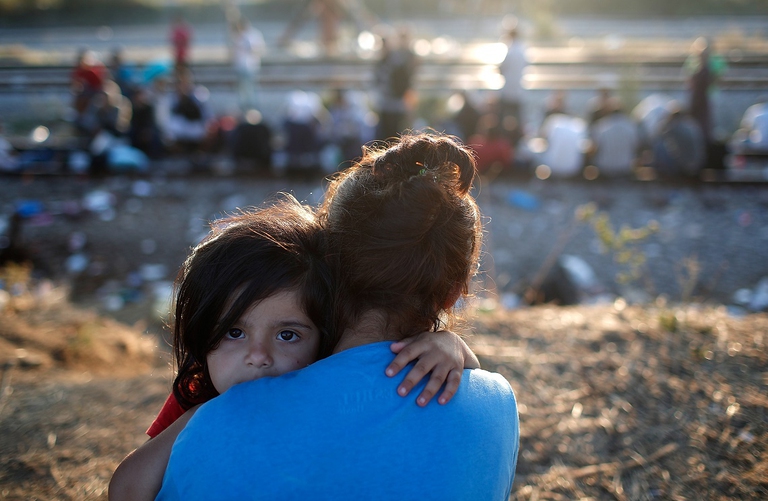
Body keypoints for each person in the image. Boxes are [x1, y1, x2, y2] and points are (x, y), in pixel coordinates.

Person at [155, 132, 519, 499]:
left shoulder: (215, 423)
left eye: (286, 335)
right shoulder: (499, 406)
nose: (259, 356)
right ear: (454, 292)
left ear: (323, 257)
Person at [108, 195, 481, 499]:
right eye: (233, 332)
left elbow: (472, 373)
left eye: (287, 335)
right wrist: (200, 416)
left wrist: (449, 344)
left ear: (324, 337)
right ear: (202, 334)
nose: (258, 357)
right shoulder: (197, 391)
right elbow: (126, 489)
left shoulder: (327, 384)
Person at [498, 19, 528, 147]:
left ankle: (507, 144)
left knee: (504, 121)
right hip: (519, 92)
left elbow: (501, 68)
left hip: (507, 92)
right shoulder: (522, 50)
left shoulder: (509, 50)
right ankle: (517, 144)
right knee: (518, 121)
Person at [230, 17, 266, 111]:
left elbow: (259, 49)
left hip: (251, 66)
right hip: (240, 66)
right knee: (241, 87)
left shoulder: (254, 34)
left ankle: (253, 106)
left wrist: (249, 49)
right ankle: (243, 106)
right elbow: (234, 51)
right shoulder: (238, 35)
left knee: (251, 86)